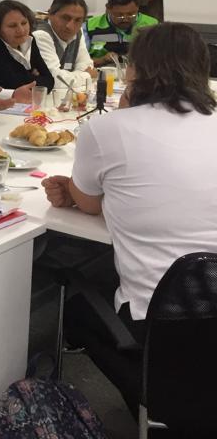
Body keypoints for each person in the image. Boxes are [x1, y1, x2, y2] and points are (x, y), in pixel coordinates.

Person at [42, 23, 217, 414]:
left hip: (161, 331)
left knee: (75, 304)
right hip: (205, 304)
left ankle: (151, 408)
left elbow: (88, 204)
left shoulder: (107, 129)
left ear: (136, 70)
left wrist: (79, 190)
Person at [0, 0, 55, 92]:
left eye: (24, 23)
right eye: (12, 26)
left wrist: (27, 77)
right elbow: (14, 86)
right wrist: (33, 76)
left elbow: (49, 81)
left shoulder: (28, 39)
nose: (21, 30)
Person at [31, 0, 95, 92]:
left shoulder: (78, 31)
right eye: (65, 18)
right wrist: (86, 76)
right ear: (50, 14)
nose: (70, 26)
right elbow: (53, 79)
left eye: (78, 20)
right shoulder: (41, 34)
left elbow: (86, 64)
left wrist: (70, 76)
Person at [85, 0, 159, 66]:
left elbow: (159, 59)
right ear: (108, 8)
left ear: (138, 7)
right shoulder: (90, 26)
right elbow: (80, 62)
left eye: (131, 14)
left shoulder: (152, 26)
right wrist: (102, 60)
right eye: (119, 15)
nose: (125, 19)